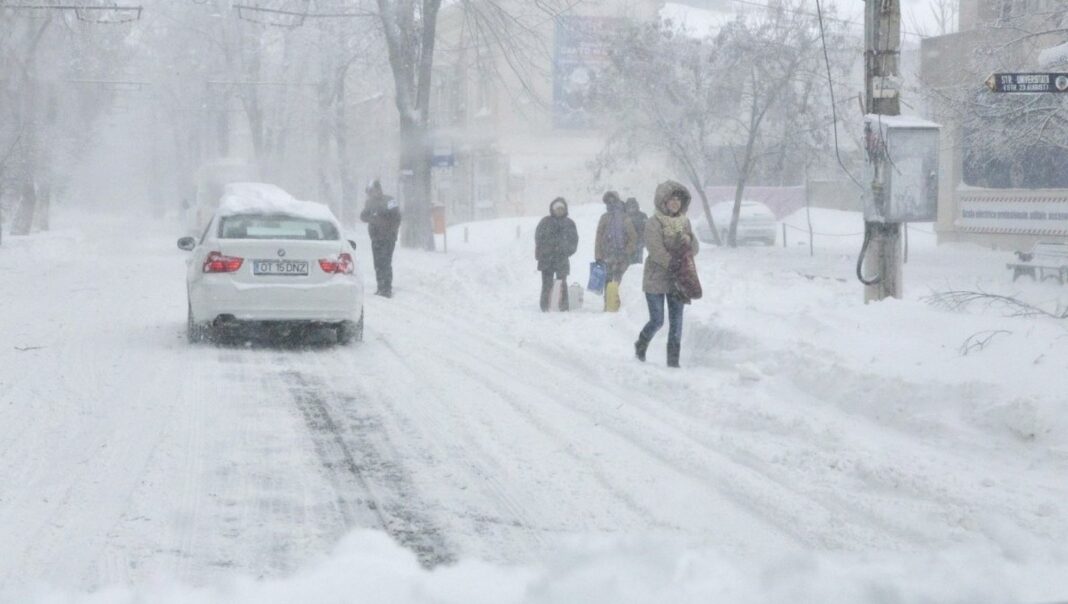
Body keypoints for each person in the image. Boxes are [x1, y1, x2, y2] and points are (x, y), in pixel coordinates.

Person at [635, 181, 700, 368]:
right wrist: (674, 263)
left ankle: (673, 362)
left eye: (678, 200)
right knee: (657, 320)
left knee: (676, 322)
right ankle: (641, 343)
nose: (675, 203)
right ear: (663, 201)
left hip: (678, 279)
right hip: (656, 277)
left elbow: (694, 249)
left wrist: (689, 239)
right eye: (671, 199)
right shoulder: (653, 222)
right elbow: (655, 250)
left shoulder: (684, 223)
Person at [594, 191, 637, 312]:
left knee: (620, 279)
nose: (611, 202)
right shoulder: (604, 217)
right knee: (607, 280)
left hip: (622, 255)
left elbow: (633, 236)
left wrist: (627, 251)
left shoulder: (624, 217)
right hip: (607, 254)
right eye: (609, 200)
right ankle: (608, 304)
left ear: (617, 200)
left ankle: (617, 304)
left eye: (613, 199)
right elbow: (598, 237)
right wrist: (598, 255)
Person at [534, 197, 579, 311]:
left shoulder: (569, 223)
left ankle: (563, 306)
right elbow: (538, 238)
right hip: (546, 259)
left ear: (565, 209)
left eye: (561, 208)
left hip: (561, 259)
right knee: (546, 284)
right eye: (557, 208)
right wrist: (543, 251)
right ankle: (545, 306)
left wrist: (566, 251)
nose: (559, 211)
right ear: (552, 209)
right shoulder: (545, 222)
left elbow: (574, 240)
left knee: (562, 283)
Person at [360, 180, 401, 298]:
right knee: (377, 263)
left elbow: (397, 217)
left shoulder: (390, 201)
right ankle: (380, 287)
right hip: (376, 238)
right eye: (369, 193)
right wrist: (372, 218)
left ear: (378, 189)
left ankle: (387, 288)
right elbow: (363, 216)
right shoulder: (369, 203)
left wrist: (390, 229)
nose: (370, 194)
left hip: (388, 238)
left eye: (371, 191)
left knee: (386, 262)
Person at [625, 196, 648, 265]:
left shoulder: (642, 216)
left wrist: (644, 241)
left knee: (637, 265)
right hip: (627, 244)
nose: (631, 208)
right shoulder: (624, 216)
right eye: (630, 206)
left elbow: (647, 229)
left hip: (639, 244)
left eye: (633, 206)